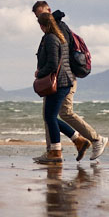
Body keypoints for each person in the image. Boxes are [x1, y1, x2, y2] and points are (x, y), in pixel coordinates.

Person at [33, 1, 109, 161]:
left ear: (49, 11)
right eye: (38, 16)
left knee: (58, 114)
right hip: (60, 79)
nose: (40, 17)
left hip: (62, 80)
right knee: (51, 115)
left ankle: (92, 140)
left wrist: (42, 73)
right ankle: (56, 149)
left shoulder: (56, 31)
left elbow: (57, 59)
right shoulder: (53, 32)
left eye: (42, 14)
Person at [34, 9, 77, 164]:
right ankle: (77, 140)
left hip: (60, 83)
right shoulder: (57, 36)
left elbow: (53, 63)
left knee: (50, 117)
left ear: (43, 25)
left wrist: (39, 73)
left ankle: (56, 152)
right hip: (63, 82)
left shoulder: (51, 38)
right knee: (50, 117)